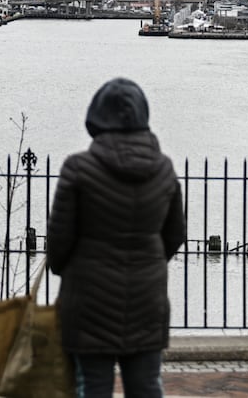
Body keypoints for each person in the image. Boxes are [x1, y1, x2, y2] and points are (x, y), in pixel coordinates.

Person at [46, 78, 187, 398]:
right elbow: (176, 234)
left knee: (93, 385)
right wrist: (148, 259)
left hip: (88, 296)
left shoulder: (78, 168)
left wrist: (68, 267)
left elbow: (58, 242)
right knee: (147, 385)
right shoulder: (164, 169)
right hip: (147, 296)